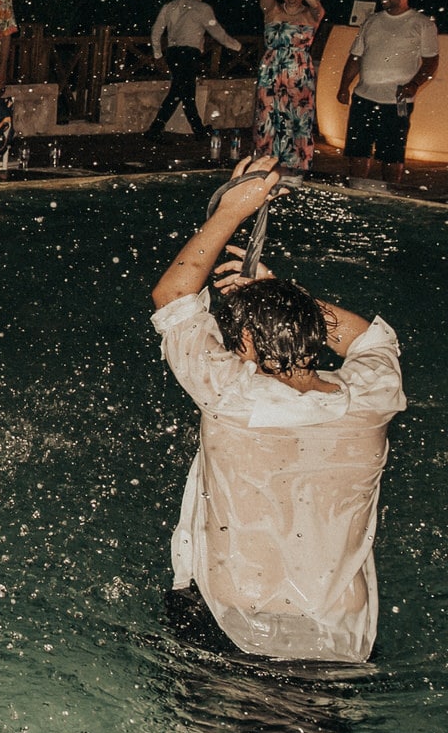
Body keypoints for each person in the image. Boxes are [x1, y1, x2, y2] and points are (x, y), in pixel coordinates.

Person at [151, 156, 405, 663]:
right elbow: (370, 339)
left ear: (243, 339)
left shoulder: (232, 397)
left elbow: (173, 295)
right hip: (339, 645)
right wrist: (286, 300)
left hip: (232, 631)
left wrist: (229, 213)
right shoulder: (373, 398)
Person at [338, 0, 437, 188]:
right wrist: (344, 86)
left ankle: (390, 196)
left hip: (395, 102)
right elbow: (356, 56)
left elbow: (430, 62)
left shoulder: (421, 24)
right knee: (358, 151)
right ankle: (356, 192)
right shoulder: (372, 21)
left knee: (392, 155)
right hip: (364, 97)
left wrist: (414, 84)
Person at [253, 0, 326, 171]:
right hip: (272, 70)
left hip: (299, 71)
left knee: (299, 119)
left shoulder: (311, 15)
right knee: (268, 116)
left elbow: (317, 5)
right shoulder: (272, 10)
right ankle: (266, 165)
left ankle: (297, 166)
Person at [146, 0, 243, 140]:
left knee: (179, 92)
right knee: (185, 93)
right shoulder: (202, 8)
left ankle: (162, 129)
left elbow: (156, 31)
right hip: (188, 54)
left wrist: (158, 54)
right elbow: (217, 31)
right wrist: (236, 46)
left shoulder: (170, 6)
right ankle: (193, 130)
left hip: (173, 52)